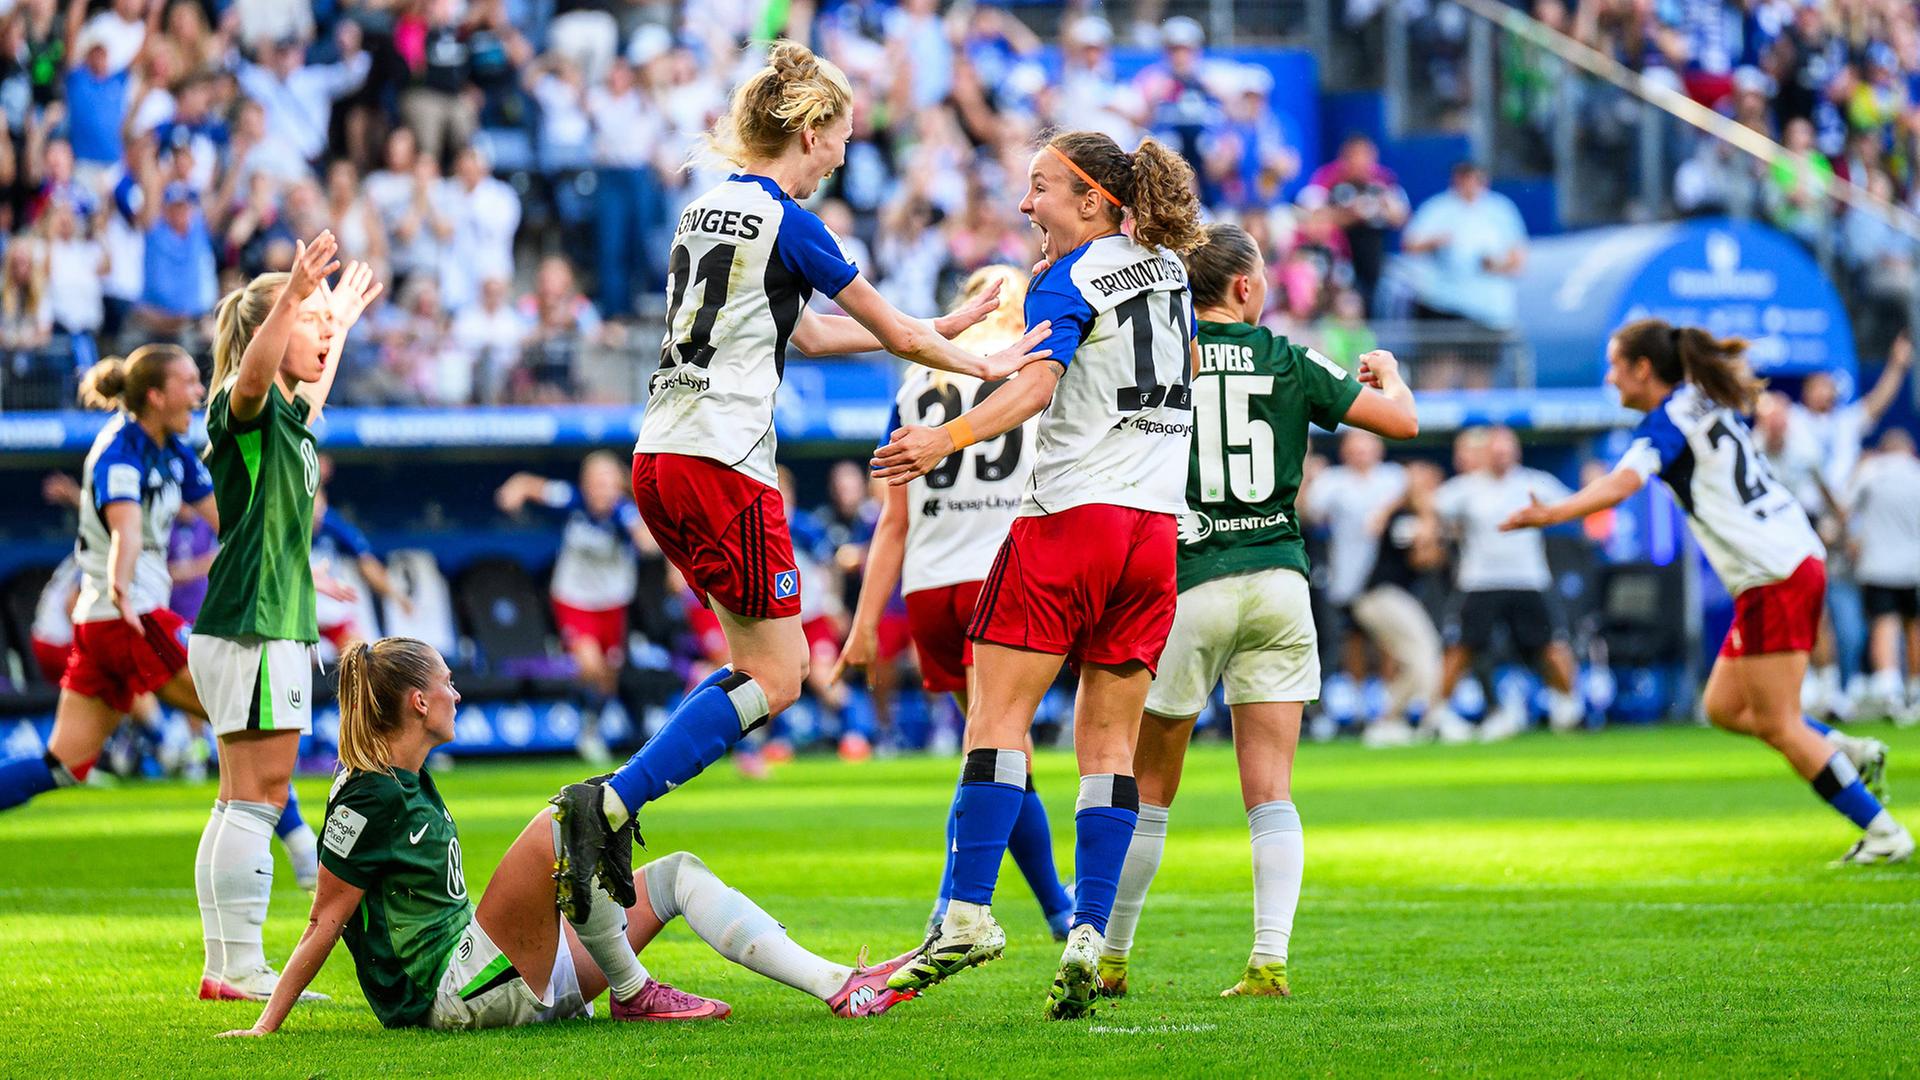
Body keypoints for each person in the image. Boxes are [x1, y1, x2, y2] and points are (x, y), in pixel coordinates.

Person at [548, 41, 1045, 900]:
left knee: (754, 667)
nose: (847, 155)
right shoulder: (792, 221)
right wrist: (987, 363)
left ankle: (616, 806)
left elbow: (808, 334)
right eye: (844, 137)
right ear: (810, 131)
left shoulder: (702, 210)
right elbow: (895, 335)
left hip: (659, 457)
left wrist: (942, 326)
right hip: (725, 464)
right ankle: (612, 800)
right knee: (782, 677)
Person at [871, 127, 1207, 1020]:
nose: (1026, 206)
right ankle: (1088, 933)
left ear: (1096, 199)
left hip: (1071, 523)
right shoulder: (1168, 271)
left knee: (997, 718)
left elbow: (1035, 385)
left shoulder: (1072, 275)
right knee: (1107, 747)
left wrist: (946, 436)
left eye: (1041, 188)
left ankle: (969, 915)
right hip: (1152, 537)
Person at [218, 637, 918, 1037]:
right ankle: (634, 990)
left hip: (496, 972)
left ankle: (837, 984)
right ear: (418, 702)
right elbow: (325, 919)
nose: (460, 695)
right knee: (568, 818)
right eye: (449, 684)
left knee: (675, 873)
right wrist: (264, 1029)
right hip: (447, 991)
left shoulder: (404, 778)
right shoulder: (368, 792)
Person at [1092, 223, 1419, 1002]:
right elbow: (1401, 422)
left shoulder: (1163, 352)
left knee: (1148, 790)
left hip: (1189, 580)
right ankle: (1268, 961)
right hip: (1277, 580)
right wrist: (1390, 373)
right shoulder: (1287, 356)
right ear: (1244, 287)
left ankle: (1112, 957)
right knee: (1270, 790)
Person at [1501, 319, 1909, 865]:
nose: (1609, 377)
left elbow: (1624, 483)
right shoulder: (1699, 400)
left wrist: (1554, 511)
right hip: (1787, 561)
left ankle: (1883, 832)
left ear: (1644, 370)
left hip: (1773, 572)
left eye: (1615, 365)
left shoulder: (1664, 424)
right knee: (1722, 707)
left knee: (1780, 724)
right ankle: (1846, 753)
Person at [834, 264, 1073, 940]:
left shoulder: (914, 386)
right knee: (995, 749)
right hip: (1000, 573)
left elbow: (894, 521)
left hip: (931, 587)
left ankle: (1053, 904)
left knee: (996, 745)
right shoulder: (1032, 369)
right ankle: (955, 905)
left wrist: (865, 625)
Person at [187, 233, 383, 1001]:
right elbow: (253, 374)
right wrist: (293, 295)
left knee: (242, 796)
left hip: (252, 618)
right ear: (268, 335)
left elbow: (310, 383)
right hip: (257, 624)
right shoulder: (246, 406)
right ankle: (239, 967)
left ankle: (226, 965)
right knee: (262, 797)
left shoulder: (290, 423)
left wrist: (339, 319)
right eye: (308, 322)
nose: (322, 333)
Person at [1427, 426, 1586, 740]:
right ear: (1485, 454)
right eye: (1495, 451)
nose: (1501, 457)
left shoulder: (1535, 483)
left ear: (1517, 453)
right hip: (1479, 582)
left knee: (1553, 646)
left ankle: (1569, 709)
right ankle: (1438, 715)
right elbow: (1431, 507)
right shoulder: (1465, 488)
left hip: (1529, 580)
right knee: (1459, 649)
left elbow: (1575, 505)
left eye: (1507, 451)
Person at [495, 452, 656, 764]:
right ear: (586, 484)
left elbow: (645, 538)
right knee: (590, 664)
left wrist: (646, 540)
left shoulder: (625, 514)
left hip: (612, 603)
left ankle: (590, 727)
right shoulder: (571, 500)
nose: (602, 490)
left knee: (607, 677)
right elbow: (531, 485)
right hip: (574, 600)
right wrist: (514, 490)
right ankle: (576, 683)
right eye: (596, 483)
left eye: (609, 483)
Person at [1846, 428, 1920, 722]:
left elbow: (1844, 508)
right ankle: (1915, 691)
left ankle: (1888, 692)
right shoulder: (1917, 474)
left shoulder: (1870, 471)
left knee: (1884, 626)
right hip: (1914, 566)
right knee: (1914, 627)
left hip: (1877, 564)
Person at [311, 486, 413, 655]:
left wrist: (397, 596)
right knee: (301, 670)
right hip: (299, 612)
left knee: (361, 659)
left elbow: (366, 562)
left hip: (331, 610)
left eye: (320, 504)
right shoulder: (283, 526)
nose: (316, 512)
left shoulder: (332, 525)